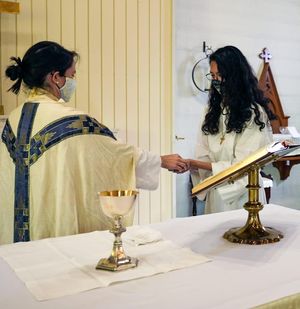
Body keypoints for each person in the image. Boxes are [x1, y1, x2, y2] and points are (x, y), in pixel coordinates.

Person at [0, 41, 189, 244]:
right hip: (56, 235)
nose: (73, 81)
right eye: (72, 75)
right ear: (56, 77)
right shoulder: (70, 121)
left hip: (17, 236)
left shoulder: (14, 119)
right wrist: (160, 160)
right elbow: (113, 155)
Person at [189, 45, 275, 214]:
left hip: (244, 192)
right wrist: (196, 165)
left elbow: (244, 164)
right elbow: (202, 150)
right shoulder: (210, 111)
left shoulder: (252, 113)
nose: (216, 81)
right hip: (216, 190)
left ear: (235, 76)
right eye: (213, 76)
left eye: (220, 75)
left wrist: (196, 164)